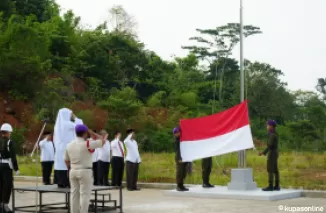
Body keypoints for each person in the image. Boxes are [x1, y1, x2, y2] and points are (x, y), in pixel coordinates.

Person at [64, 124, 107, 213]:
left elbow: (66, 160)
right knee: (85, 195)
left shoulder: (69, 145)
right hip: (85, 171)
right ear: (85, 133)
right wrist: (91, 132)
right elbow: (103, 141)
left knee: (74, 194)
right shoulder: (87, 144)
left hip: (73, 170)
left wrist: (69, 169)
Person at [54, 108, 83, 188]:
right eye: (69, 114)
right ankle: (68, 182)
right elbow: (80, 126)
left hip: (60, 149)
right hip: (67, 148)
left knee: (61, 164)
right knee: (67, 165)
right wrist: (75, 118)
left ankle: (60, 181)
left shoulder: (57, 125)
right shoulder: (67, 124)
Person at [0, 123, 19, 213]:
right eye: (10, 132)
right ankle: (5, 206)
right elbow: (13, 156)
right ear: (7, 132)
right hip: (7, 166)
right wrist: (16, 169)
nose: (10, 134)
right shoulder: (9, 142)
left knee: (0, 185)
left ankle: (0, 206)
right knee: (7, 186)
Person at [259, 120, 280, 191]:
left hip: (272, 153)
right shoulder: (274, 134)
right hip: (275, 152)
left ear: (271, 126)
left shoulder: (272, 135)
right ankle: (277, 186)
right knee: (275, 169)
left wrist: (262, 152)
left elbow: (270, 146)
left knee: (270, 169)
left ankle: (270, 186)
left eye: (268, 125)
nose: (267, 126)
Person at [173, 127, 189, 192]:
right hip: (179, 158)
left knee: (184, 173)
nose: (177, 133)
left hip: (184, 157)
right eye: (175, 133)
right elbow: (178, 150)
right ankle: (178, 186)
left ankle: (182, 185)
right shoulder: (176, 140)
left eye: (178, 132)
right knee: (179, 172)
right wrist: (179, 158)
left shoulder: (182, 139)